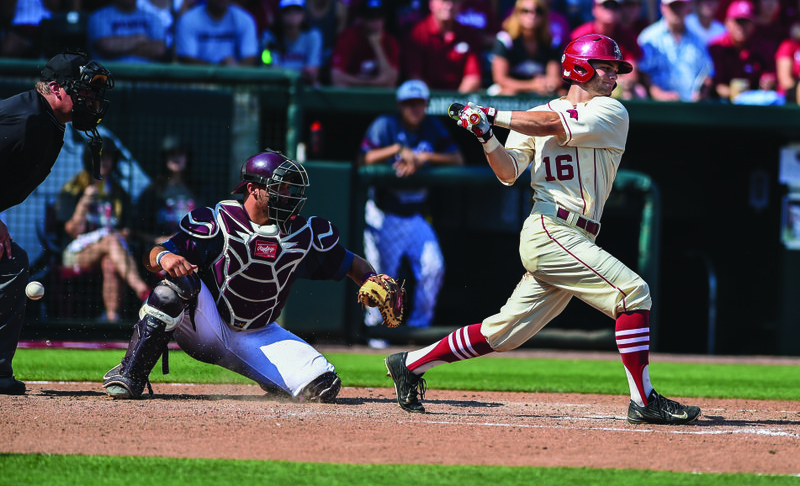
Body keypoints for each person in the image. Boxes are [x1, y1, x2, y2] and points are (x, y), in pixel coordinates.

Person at [383, 33, 702, 426]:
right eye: (606, 66)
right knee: (633, 293)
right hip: (550, 228)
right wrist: (486, 137)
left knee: (504, 334)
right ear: (579, 67)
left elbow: (553, 123)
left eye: (615, 68)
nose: (613, 76)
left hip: (578, 235)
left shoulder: (612, 111)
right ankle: (644, 400)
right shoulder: (533, 116)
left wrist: (490, 115)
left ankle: (409, 363)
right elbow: (507, 173)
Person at [102, 149, 398, 401]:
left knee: (321, 386)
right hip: (207, 324)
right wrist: (165, 257)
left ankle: (271, 377)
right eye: (279, 187)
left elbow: (352, 264)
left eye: (291, 187)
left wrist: (373, 279)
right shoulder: (217, 220)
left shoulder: (303, 232)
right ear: (252, 188)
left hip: (260, 332)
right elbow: (153, 256)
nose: (288, 194)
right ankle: (131, 373)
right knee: (172, 289)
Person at [0, 51, 114, 394]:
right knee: (10, 264)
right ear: (55, 88)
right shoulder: (26, 120)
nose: (91, 100)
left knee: (10, 263)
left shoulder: (46, 121)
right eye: (85, 91)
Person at [358, 80, 463, 346]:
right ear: (400, 105)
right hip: (384, 213)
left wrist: (422, 157)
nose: (415, 109)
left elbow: (457, 160)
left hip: (415, 215)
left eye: (419, 103)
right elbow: (362, 160)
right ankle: (376, 335)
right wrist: (397, 150)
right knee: (382, 277)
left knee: (433, 267)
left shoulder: (432, 127)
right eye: (409, 104)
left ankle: (419, 329)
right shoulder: (386, 125)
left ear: (426, 105)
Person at [56, 139, 152, 323]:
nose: (104, 162)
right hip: (75, 254)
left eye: (108, 157)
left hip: (111, 251)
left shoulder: (118, 193)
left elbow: (126, 230)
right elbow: (73, 231)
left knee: (110, 260)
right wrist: (84, 203)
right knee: (110, 241)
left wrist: (123, 234)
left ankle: (111, 318)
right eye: (99, 157)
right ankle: (143, 291)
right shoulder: (73, 189)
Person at [637, 0, 713, 102]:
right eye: (673, 6)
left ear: (688, 8)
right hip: (656, 108)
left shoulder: (697, 40)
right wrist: (659, 94)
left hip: (691, 108)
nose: (677, 10)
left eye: (681, 5)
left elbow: (707, 73)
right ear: (663, 7)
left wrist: (701, 94)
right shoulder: (649, 38)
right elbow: (642, 72)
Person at [402, 0, 483, 92]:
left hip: (459, 101)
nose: (449, 5)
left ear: (460, 5)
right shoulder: (417, 34)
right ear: (432, 4)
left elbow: (473, 77)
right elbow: (414, 76)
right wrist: (436, 101)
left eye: (454, 0)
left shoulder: (468, 35)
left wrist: (456, 104)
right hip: (425, 101)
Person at [571, 0, 646, 99]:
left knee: (639, 91)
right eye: (606, 5)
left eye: (615, 6)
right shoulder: (581, 35)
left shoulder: (628, 36)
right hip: (586, 85)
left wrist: (618, 82)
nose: (610, 10)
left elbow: (632, 74)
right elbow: (573, 71)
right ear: (594, 9)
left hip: (616, 85)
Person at [175, 0, 260, 66]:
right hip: (198, 78)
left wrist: (235, 70)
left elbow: (250, 58)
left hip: (234, 77)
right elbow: (186, 59)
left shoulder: (245, 20)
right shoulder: (189, 19)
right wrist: (219, 68)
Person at [87, 0, 168, 63]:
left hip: (147, 76)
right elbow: (106, 46)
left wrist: (121, 48)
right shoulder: (98, 17)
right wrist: (140, 39)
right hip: (111, 75)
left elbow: (159, 50)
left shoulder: (152, 18)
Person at [488, 0, 563, 96]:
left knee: (561, 93)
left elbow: (555, 78)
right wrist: (531, 85)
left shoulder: (552, 42)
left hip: (540, 89)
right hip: (512, 89)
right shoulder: (505, 39)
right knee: (508, 93)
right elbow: (500, 79)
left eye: (538, 11)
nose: (532, 15)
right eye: (526, 11)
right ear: (517, 13)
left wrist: (548, 84)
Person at [134, 135, 200, 250]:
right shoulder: (153, 191)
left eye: (180, 153)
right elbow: (136, 230)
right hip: (162, 250)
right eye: (171, 154)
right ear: (164, 158)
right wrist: (156, 240)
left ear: (187, 157)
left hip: (193, 249)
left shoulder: (199, 190)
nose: (176, 158)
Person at [708, 0, 775, 101]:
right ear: (727, 23)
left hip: (753, 107)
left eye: (746, 22)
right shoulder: (716, 48)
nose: (741, 27)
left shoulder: (762, 50)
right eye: (737, 22)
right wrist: (734, 93)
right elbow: (713, 85)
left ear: (753, 24)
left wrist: (767, 83)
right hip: (720, 108)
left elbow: (768, 78)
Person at [330, 0, 400, 88]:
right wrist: (370, 83)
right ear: (362, 19)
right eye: (371, 17)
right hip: (351, 93)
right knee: (340, 86)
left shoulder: (390, 41)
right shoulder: (348, 37)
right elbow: (336, 77)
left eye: (379, 17)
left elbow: (391, 80)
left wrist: (377, 47)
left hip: (378, 94)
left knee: (390, 88)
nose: (376, 22)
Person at [261, 0, 323, 85]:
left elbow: (313, 72)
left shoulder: (313, 35)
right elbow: (270, 69)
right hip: (278, 85)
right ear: (280, 14)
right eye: (287, 10)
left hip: (304, 85)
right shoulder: (269, 36)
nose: (293, 14)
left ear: (304, 14)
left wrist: (286, 73)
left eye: (297, 10)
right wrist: (301, 73)